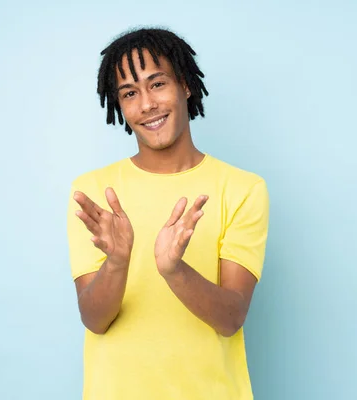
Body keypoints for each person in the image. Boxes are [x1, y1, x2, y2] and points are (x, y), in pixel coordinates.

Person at [66, 27, 270, 400]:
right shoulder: (94, 193)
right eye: (129, 93)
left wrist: (175, 270)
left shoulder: (243, 188)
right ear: (120, 106)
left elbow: (231, 319)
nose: (146, 104)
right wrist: (116, 263)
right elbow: (95, 320)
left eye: (157, 84)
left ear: (185, 86)